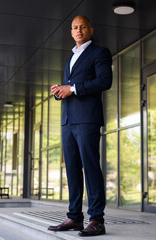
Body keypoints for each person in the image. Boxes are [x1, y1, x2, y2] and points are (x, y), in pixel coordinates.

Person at [48, 15, 112, 237]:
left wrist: (72, 88)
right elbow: (70, 88)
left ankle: (97, 220)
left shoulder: (99, 52)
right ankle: (74, 217)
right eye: (75, 27)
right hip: (68, 121)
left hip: (87, 120)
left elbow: (105, 81)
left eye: (82, 27)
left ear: (90, 30)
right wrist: (60, 92)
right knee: (72, 170)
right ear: (71, 31)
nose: (78, 30)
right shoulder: (70, 57)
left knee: (91, 167)